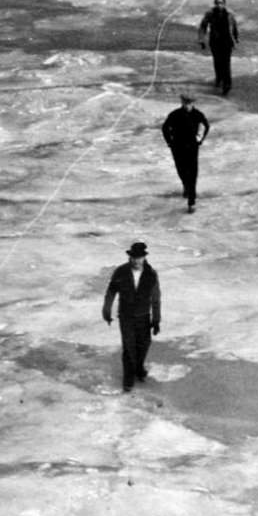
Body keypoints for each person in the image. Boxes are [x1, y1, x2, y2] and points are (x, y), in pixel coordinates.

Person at [102, 241, 161, 392]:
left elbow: (155, 298)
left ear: (144, 257)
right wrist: (107, 310)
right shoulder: (121, 272)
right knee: (129, 348)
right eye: (134, 257)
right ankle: (128, 380)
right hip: (126, 316)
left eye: (139, 257)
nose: (136, 260)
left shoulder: (151, 274)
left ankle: (139, 368)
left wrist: (156, 320)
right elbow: (111, 292)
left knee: (144, 345)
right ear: (130, 257)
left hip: (143, 316)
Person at [162, 94, 210, 212]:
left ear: (193, 103)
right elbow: (164, 128)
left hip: (192, 146)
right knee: (181, 169)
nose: (187, 104)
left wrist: (200, 139)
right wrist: (169, 142)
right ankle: (186, 186)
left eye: (189, 102)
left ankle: (191, 201)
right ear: (182, 102)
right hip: (177, 146)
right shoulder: (175, 114)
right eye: (185, 102)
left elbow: (206, 126)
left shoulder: (197, 114)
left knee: (193, 172)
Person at [198, 0, 239, 95]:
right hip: (215, 41)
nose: (219, 5)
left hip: (226, 41)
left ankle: (227, 85)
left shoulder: (229, 14)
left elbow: (234, 27)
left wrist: (236, 40)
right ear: (214, 4)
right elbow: (203, 26)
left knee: (226, 63)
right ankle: (219, 78)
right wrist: (202, 40)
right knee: (217, 62)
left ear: (224, 4)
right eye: (217, 3)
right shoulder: (210, 14)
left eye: (221, 3)